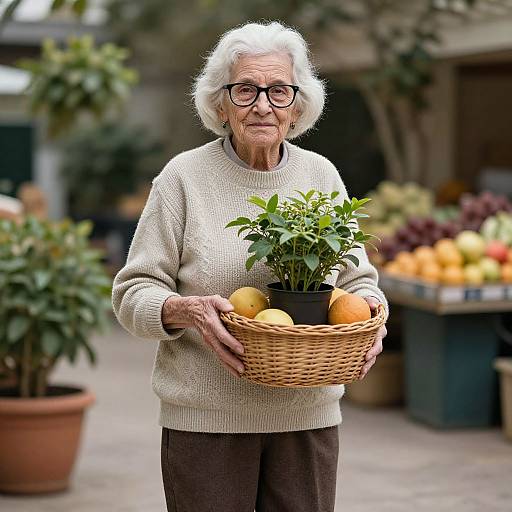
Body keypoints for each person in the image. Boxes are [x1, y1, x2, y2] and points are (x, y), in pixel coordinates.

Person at [112, 21, 388, 512]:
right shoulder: (182, 178)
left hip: (307, 416)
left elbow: (358, 280)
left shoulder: (320, 175)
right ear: (221, 103)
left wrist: (372, 318)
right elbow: (132, 293)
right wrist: (186, 309)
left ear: (298, 104)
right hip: (206, 422)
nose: (263, 104)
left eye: (278, 90)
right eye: (246, 90)